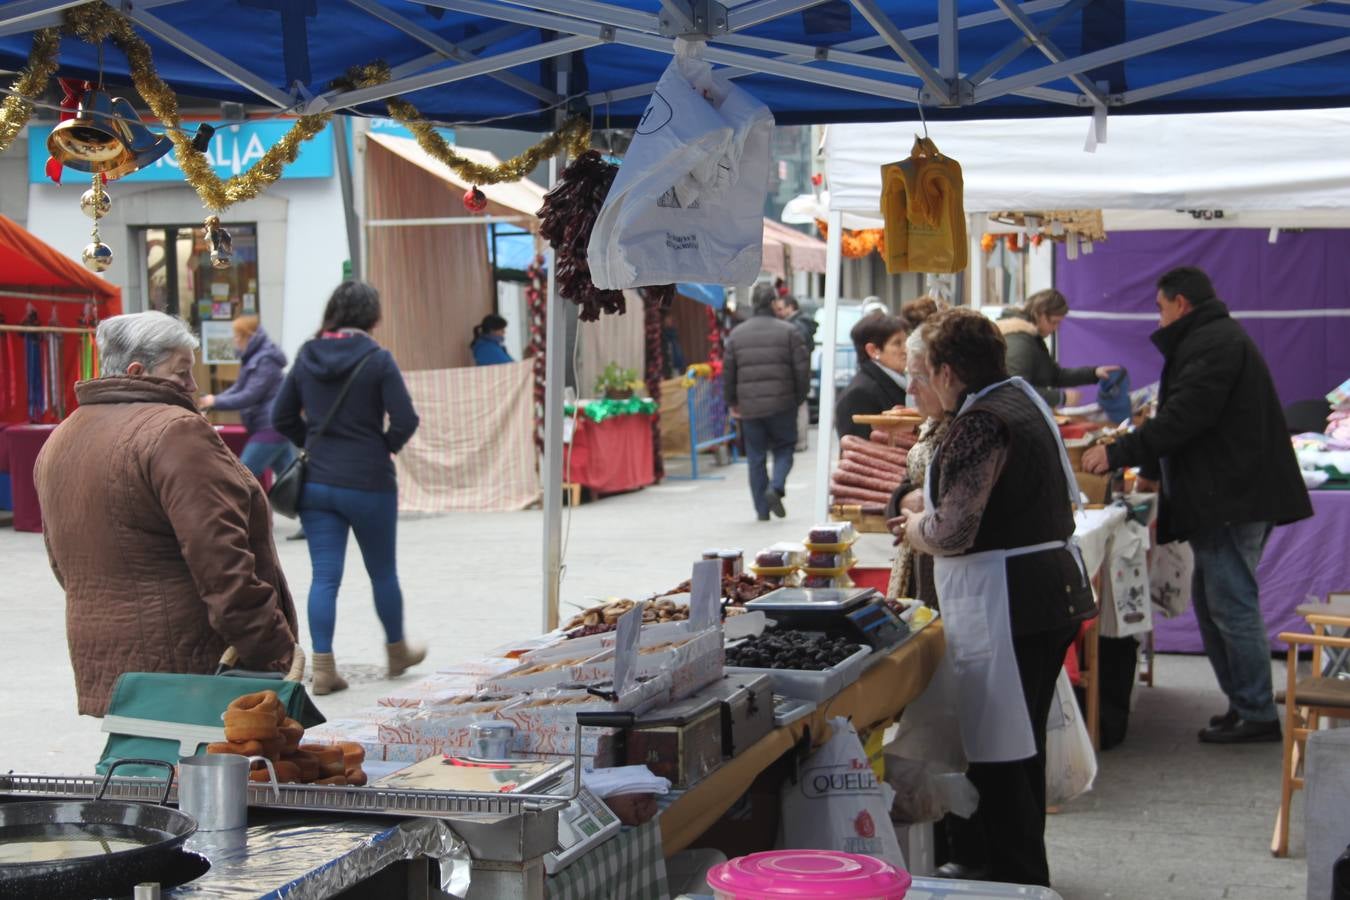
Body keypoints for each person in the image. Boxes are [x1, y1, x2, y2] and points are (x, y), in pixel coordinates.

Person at [892, 308, 1096, 886]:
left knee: (1003, 752)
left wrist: (910, 528)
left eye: (921, 371)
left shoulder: (982, 422)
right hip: (1042, 595)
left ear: (949, 371)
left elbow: (952, 532)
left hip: (1009, 602)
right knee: (1017, 744)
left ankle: (1015, 877)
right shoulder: (1019, 397)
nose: (915, 385)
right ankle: (1014, 871)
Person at [1083, 266, 1312, 743]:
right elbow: (1184, 417)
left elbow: (1185, 417)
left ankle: (1256, 713)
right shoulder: (1212, 338)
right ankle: (1244, 703)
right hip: (1228, 492)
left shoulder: (1214, 343)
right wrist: (1145, 465)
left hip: (1233, 495)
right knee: (1215, 603)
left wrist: (1120, 452)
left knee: (1230, 603)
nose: (1159, 318)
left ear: (1180, 303)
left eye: (1161, 308)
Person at [34, 311, 301, 716]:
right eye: (182, 373)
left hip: (111, 667)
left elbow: (62, 563)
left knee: (140, 774)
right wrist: (275, 651)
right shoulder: (175, 431)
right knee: (203, 776)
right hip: (192, 669)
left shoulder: (63, 435)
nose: (193, 387)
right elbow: (223, 565)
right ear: (138, 371)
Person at [272, 281, 426, 695]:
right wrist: (383, 448)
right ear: (373, 317)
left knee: (324, 576)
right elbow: (406, 419)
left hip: (318, 483)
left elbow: (280, 416)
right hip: (369, 482)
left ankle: (323, 668)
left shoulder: (307, 354)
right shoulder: (377, 359)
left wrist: (311, 442)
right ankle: (396, 652)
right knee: (383, 573)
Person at [198, 316, 308, 540]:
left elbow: (250, 394)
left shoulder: (265, 360)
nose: (235, 341)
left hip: (270, 427)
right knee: (290, 478)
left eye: (237, 336)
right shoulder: (253, 358)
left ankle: (230, 526)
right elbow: (239, 388)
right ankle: (313, 521)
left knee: (241, 475)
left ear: (249, 336)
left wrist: (215, 402)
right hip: (270, 427)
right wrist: (214, 398)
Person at [723, 283, 809, 521]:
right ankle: (777, 487)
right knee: (784, 448)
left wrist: (731, 401)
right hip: (783, 404)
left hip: (750, 407)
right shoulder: (789, 331)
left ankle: (762, 509)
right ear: (773, 303)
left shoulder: (737, 334)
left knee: (756, 456)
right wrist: (799, 397)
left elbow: (729, 372)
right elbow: (802, 370)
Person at [886, 303, 949, 604]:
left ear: (946, 376)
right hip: (922, 567)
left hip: (950, 582)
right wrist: (902, 500)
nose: (910, 388)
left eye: (919, 378)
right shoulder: (932, 426)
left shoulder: (970, 429)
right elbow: (906, 484)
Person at [998, 289, 1118, 407]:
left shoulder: (1031, 338)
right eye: (1054, 322)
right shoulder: (1019, 342)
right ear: (1039, 313)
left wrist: (1094, 373)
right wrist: (1061, 398)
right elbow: (1015, 390)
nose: (1056, 328)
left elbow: (1054, 376)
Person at [835, 314, 910, 440]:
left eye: (906, 342)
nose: (906, 350)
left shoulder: (898, 382)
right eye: (897, 343)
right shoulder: (859, 394)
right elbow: (858, 450)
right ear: (873, 350)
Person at [776, 295, 818, 450]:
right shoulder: (801, 324)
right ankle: (799, 440)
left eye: (781, 309)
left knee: (799, 406)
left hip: (796, 372)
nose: (779, 312)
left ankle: (800, 441)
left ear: (790, 307)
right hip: (799, 371)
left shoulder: (796, 326)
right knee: (800, 405)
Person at [661, 310, 687, 378]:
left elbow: (677, 350)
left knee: (676, 376)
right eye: (666, 321)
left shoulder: (673, 333)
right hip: (667, 362)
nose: (668, 322)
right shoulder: (663, 334)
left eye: (669, 320)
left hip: (675, 361)